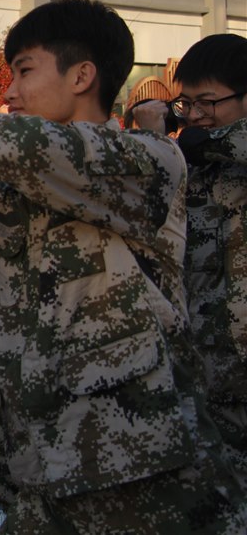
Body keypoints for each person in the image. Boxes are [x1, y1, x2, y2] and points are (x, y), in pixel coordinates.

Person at [0, 0, 247, 534]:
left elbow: (42, 147)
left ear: (82, 76)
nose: (9, 92)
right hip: (34, 464)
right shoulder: (2, 194)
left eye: (24, 71)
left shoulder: (148, 159)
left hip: (140, 465)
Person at [136, 33, 247, 491]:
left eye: (208, 102)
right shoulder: (191, 162)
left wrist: (183, 142)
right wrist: (153, 142)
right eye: (187, 104)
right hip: (210, 357)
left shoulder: (213, 148)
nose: (196, 114)